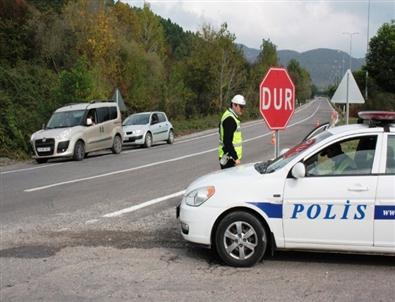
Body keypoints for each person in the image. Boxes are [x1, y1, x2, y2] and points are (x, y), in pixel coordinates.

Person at [218, 94, 246, 169]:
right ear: (234, 105)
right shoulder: (230, 119)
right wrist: (236, 158)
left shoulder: (230, 116)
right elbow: (227, 142)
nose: (242, 109)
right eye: (241, 107)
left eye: (243, 107)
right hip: (229, 158)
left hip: (230, 157)